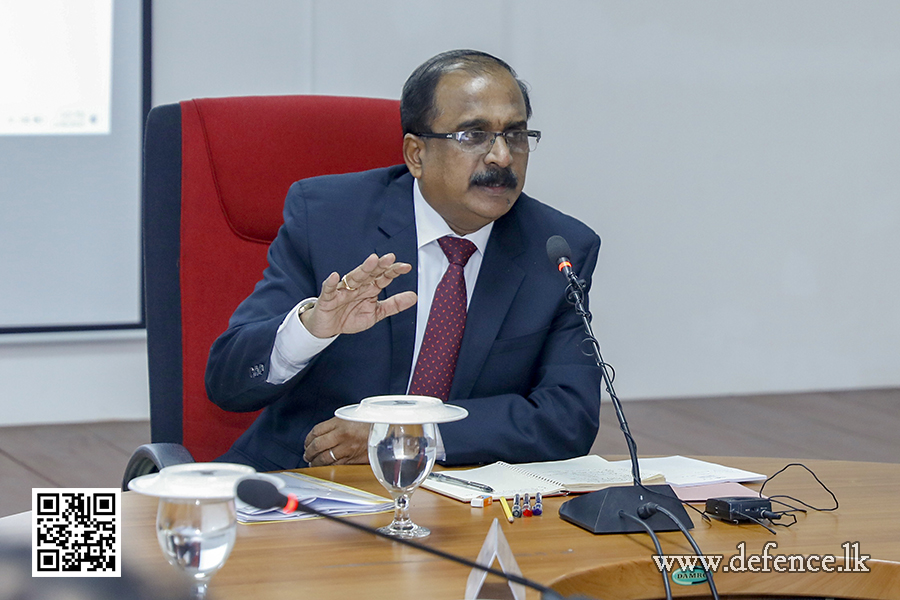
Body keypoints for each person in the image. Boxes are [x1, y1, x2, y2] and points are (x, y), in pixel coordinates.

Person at [205, 49, 602, 470]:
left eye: (516, 135)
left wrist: (410, 438)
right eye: (474, 135)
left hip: (458, 497)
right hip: (306, 484)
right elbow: (226, 382)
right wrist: (311, 329)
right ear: (416, 154)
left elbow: (568, 419)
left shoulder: (556, 248)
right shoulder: (326, 218)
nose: (502, 157)